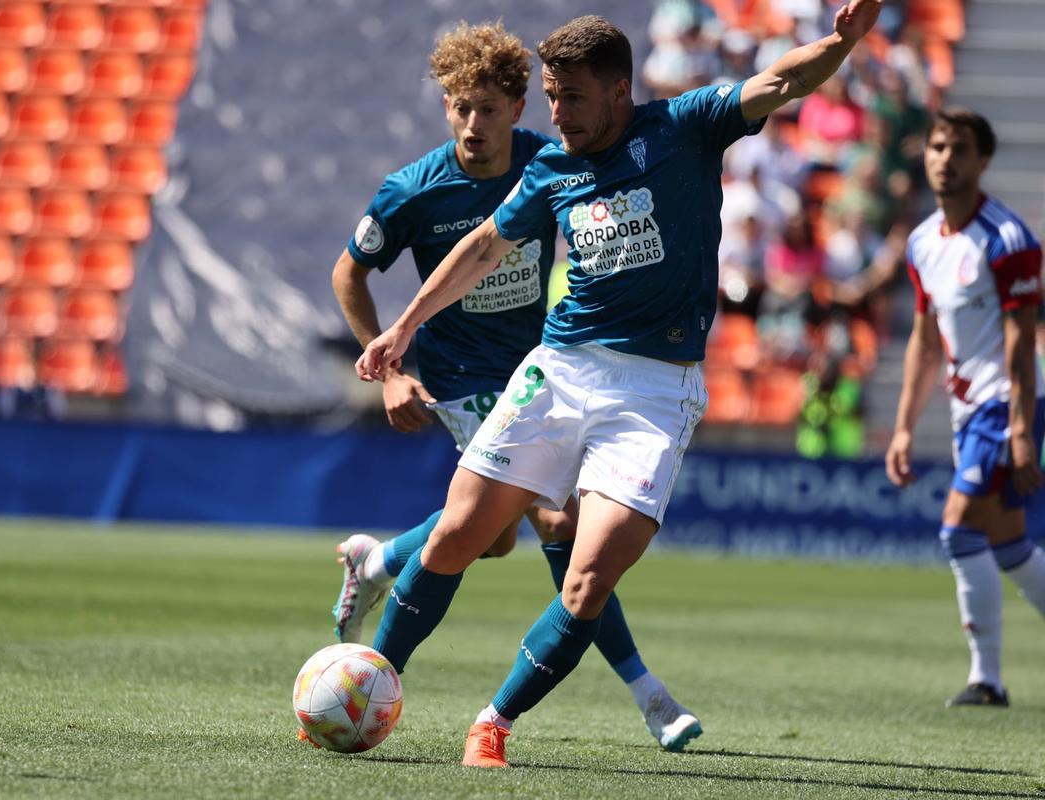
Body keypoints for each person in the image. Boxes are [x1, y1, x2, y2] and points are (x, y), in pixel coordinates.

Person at [356, 2, 882, 768]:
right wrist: (402, 328)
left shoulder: (686, 126)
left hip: (655, 391)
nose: (556, 112)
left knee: (587, 577)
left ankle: (493, 724)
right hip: (560, 368)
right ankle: (372, 680)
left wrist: (840, 41)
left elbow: (777, 81)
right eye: (550, 94)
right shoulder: (551, 166)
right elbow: (482, 246)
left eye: (571, 95)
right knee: (459, 535)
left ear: (619, 90)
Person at [328, 20, 701, 751]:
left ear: (520, 108)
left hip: (543, 361)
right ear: (445, 107)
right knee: (550, 526)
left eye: (489, 108)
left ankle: (374, 562)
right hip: (462, 372)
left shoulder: (548, 161)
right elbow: (349, 273)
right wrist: (394, 370)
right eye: (460, 106)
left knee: (496, 541)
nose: (473, 123)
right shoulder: (413, 190)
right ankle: (647, 692)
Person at [885, 108, 1045, 708]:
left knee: (957, 531)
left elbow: (1021, 341)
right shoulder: (923, 241)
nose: (945, 159)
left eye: (959, 149)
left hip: (1004, 405)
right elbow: (925, 340)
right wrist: (903, 427)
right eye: (937, 147)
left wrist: (1024, 429)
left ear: (983, 160)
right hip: (967, 408)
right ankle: (990, 680)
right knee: (1007, 546)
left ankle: (987, 680)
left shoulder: (1007, 239)